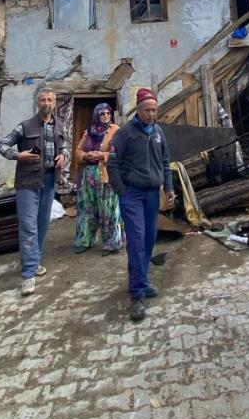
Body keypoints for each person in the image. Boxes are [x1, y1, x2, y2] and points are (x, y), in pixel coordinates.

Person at [107, 88, 175, 322]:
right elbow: (112, 163)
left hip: (152, 195)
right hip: (132, 194)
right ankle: (137, 295)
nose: (152, 114)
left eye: (155, 110)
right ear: (138, 110)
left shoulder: (157, 132)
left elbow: (166, 162)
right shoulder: (125, 133)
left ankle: (140, 279)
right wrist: (121, 190)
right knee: (136, 239)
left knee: (148, 238)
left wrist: (169, 187)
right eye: (147, 110)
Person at [0, 85, 66, 296]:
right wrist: (18, 156)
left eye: (50, 100)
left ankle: (34, 262)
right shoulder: (25, 126)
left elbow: (63, 146)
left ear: (54, 103)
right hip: (27, 182)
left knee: (42, 224)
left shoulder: (59, 126)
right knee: (28, 226)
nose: (46, 103)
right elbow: (2, 145)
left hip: (48, 180)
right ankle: (28, 275)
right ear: (38, 103)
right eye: (43, 100)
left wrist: (63, 156)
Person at [74, 102, 121, 255]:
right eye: (102, 114)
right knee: (87, 208)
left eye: (108, 113)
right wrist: (85, 155)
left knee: (108, 210)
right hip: (88, 176)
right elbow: (78, 150)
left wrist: (102, 155)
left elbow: (120, 153)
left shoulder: (115, 130)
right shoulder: (89, 131)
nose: (106, 116)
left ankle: (111, 244)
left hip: (106, 175)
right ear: (96, 115)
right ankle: (86, 240)